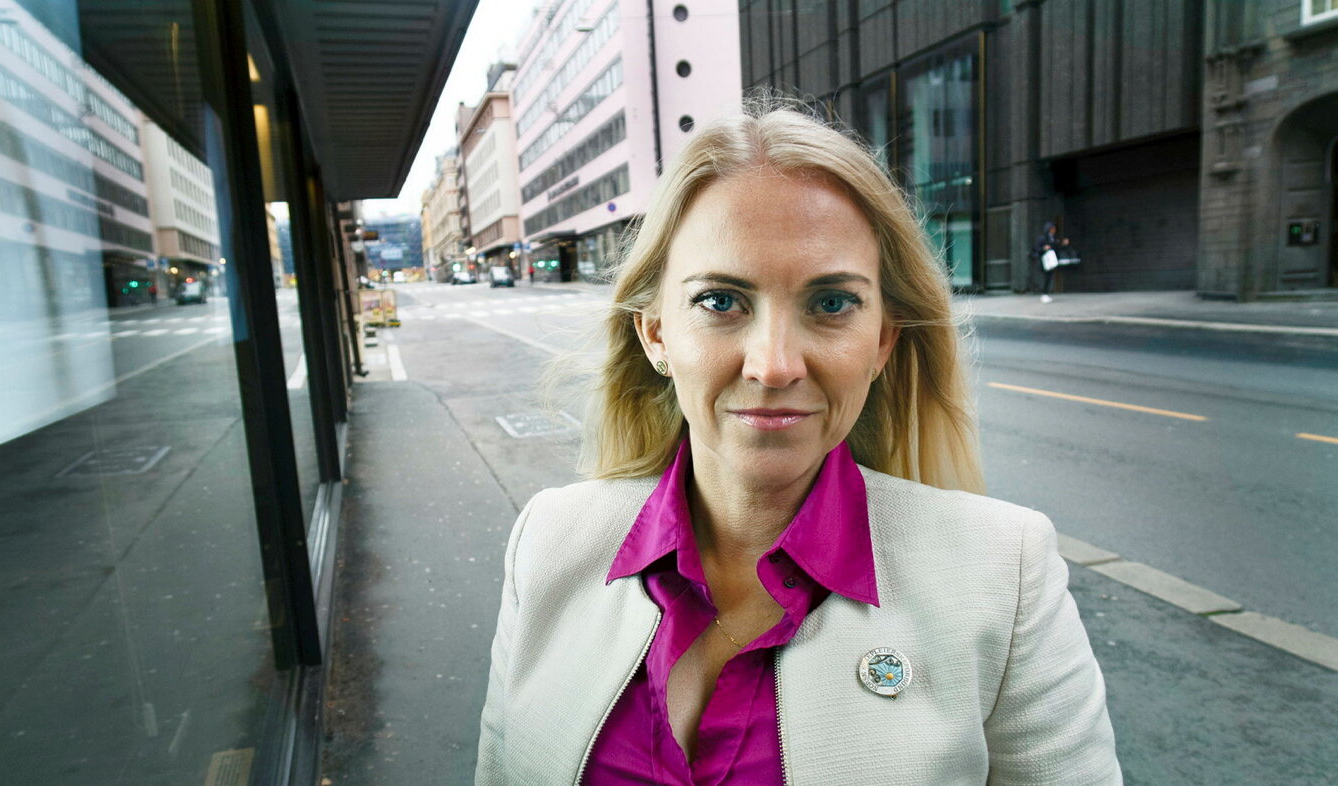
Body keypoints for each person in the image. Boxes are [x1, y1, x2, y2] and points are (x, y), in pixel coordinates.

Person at [476, 98, 1119, 785]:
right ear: (655, 333)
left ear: (882, 342)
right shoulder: (548, 543)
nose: (774, 365)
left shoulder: (1004, 575)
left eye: (831, 303)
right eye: (721, 301)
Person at [1033, 221, 1070, 303]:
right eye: (1052, 229)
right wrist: (1043, 248)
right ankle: (1044, 294)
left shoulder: (1053, 238)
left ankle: (1046, 293)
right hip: (1044, 260)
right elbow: (1036, 248)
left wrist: (1062, 244)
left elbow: (1056, 247)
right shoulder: (1042, 238)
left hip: (1051, 259)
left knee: (1049, 277)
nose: (1054, 230)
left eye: (1054, 229)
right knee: (1046, 277)